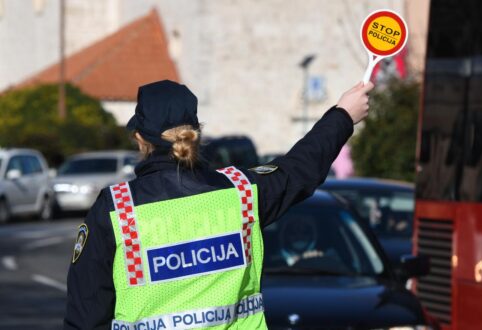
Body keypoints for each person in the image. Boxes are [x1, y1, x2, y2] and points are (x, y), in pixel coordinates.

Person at [64, 79, 374, 329]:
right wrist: (343, 115)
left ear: (140, 139)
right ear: (196, 134)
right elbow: (300, 167)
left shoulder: (117, 209)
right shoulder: (240, 192)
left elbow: (85, 316)